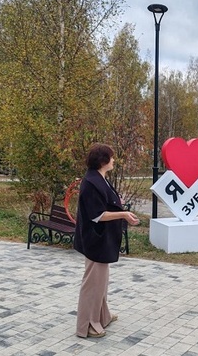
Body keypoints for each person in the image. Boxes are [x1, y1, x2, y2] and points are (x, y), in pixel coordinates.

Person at [74, 143, 140, 338]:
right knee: (92, 283)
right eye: (111, 157)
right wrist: (123, 215)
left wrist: (124, 214)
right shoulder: (91, 182)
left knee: (100, 282)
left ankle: (102, 316)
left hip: (102, 239)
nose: (114, 160)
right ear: (103, 161)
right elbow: (97, 215)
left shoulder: (99, 178)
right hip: (95, 239)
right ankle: (86, 325)